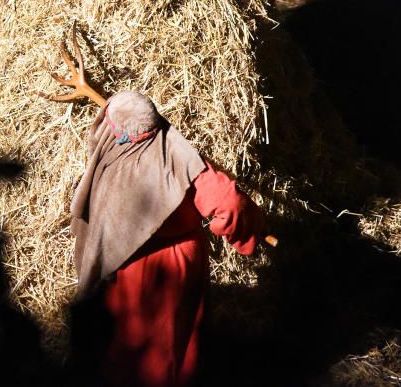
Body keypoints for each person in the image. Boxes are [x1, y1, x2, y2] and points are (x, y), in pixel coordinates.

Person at [41, 27, 264, 387]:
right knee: (171, 342)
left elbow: (118, 125)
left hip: (138, 266)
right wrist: (243, 234)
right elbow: (229, 203)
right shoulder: (181, 160)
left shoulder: (115, 158)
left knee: (143, 347)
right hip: (177, 263)